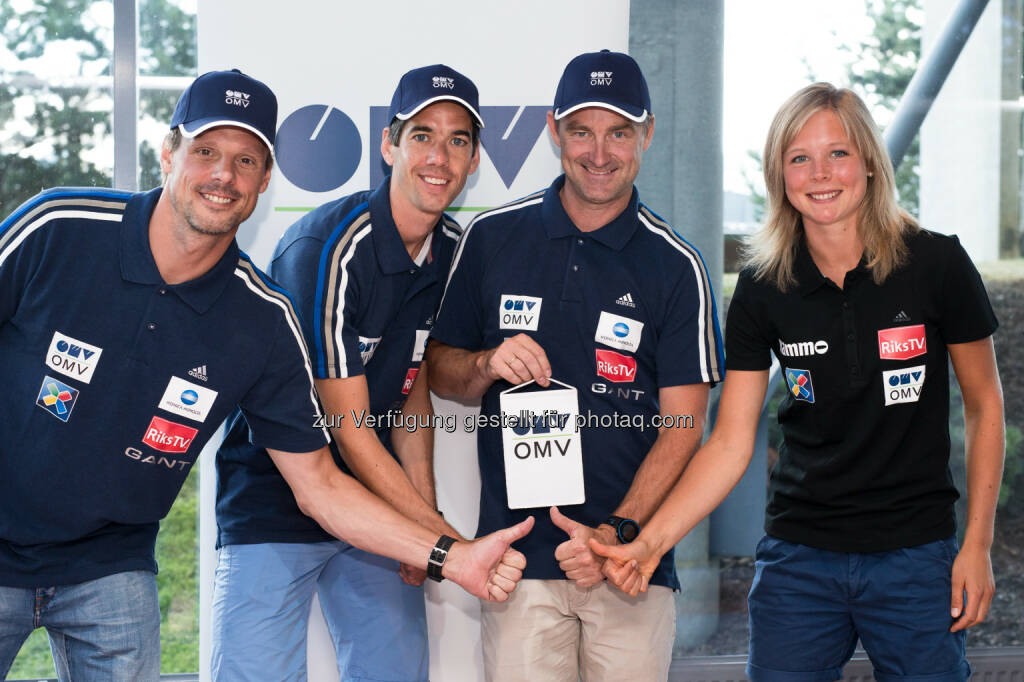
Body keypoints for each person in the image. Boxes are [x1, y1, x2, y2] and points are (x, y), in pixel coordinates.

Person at [0, 68, 532, 682]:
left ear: (266, 178)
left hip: (111, 558)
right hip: (247, 510)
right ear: (168, 152)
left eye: (246, 160)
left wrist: (445, 552)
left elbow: (333, 470)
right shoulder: (58, 226)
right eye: (206, 151)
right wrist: (443, 542)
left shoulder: (260, 316)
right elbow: (346, 432)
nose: (224, 175)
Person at [592, 82, 1005, 682]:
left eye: (838, 153)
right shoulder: (763, 285)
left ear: (869, 161)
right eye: (799, 158)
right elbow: (730, 442)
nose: (820, 174)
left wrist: (978, 545)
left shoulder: (936, 264)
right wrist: (651, 543)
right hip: (800, 560)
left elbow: (985, 405)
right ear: (778, 174)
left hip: (914, 556)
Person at [427, 50, 723, 681]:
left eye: (619, 132)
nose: (599, 152)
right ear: (553, 130)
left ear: (647, 134)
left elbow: (684, 429)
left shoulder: (677, 265)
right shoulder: (492, 237)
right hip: (514, 562)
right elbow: (441, 372)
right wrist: (486, 362)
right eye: (582, 131)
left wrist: (615, 533)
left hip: (629, 565)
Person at [211, 64, 485, 682]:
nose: (438, 156)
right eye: (421, 135)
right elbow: (350, 428)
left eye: (458, 140)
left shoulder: (452, 248)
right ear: (389, 145)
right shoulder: (328, 247)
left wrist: (421, 522)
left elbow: (412, 389)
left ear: (473, 161)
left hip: (373, 503)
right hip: (276, 497)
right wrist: (441, 543)